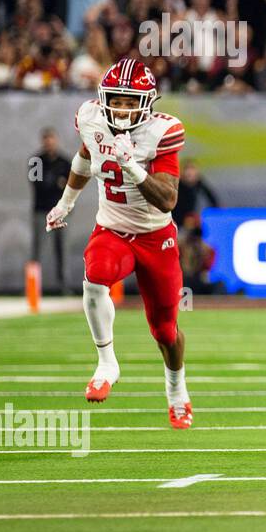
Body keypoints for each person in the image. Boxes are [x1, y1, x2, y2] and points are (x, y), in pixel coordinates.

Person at [43, 59, 191, 428]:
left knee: (165, 329)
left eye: (130, 101)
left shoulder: (162, 132)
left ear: (147, 102)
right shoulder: (91, 117)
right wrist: (65, 203)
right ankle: (107, 361)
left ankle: (176, 390)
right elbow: (83, 157)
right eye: (117, 100)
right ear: (103, 98)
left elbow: (168, 200)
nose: (122, 108)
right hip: (111, 229)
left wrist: (133, 166)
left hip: (156, 237)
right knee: (95, 277)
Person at [30, 127, 71, 294]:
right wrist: (56, 181)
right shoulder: (36, 161)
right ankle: (33, 287)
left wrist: (53, 182)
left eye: (51, 139)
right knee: (37, 249)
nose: (49, 143)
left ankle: (63, 286)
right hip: (41, 210)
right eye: (46, 139)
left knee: (62, 249)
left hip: (60, 211)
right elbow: (38, 185)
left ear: (56, 140)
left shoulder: (65, 161)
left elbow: (69, 185)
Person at [171, 159, 220, 227]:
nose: (189, 172)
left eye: (192, 169)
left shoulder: (200, 184)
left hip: (195, 221)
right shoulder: (176, 186)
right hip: (178, 223)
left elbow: (213, 201)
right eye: (187, 169)